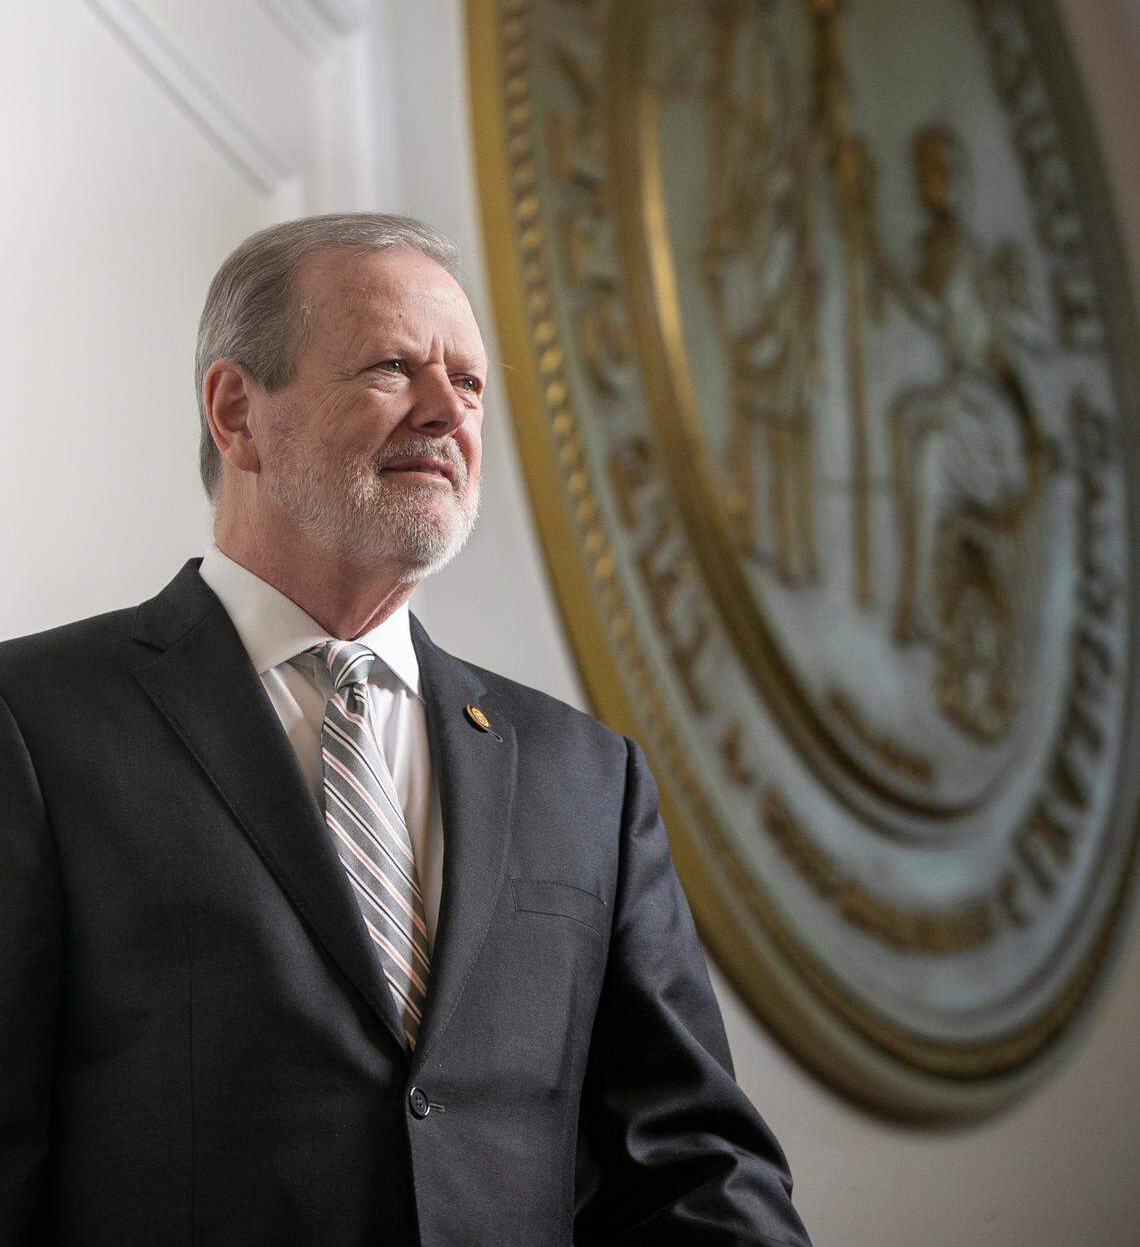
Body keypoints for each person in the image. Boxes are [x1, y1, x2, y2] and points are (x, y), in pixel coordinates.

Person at [0, 214, 812, 1246]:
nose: (447, 411)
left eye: (470, 384)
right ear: (238, 412)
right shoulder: (32, 723)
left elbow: (695, 1166)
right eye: (394, 366)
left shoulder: (586, 775)